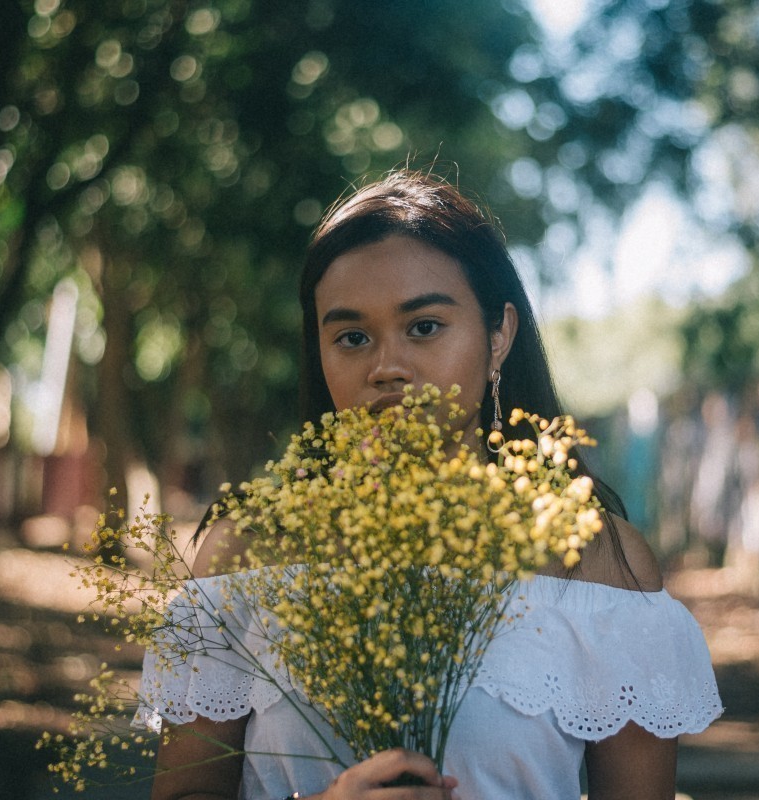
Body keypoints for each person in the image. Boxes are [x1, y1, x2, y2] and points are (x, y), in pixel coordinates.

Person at [138, 170, 723, 800]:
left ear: (499, 335)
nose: (387, 367)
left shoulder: (597, 567)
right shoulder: (248, 553)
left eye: (424, 327)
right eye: (352, 337)